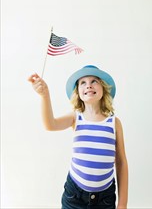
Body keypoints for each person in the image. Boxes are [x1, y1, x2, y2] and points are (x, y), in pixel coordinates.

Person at [28, 65, 128, 209]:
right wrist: (45, 95)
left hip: (105, 198)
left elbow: (121, 161)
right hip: (74, 195)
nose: (88, 85)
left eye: (94, 81)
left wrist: (122, 203)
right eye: (83, 82)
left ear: (104, 88)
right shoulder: (76, 117)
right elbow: (50, 124)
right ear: (78, 92)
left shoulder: (114, 123)